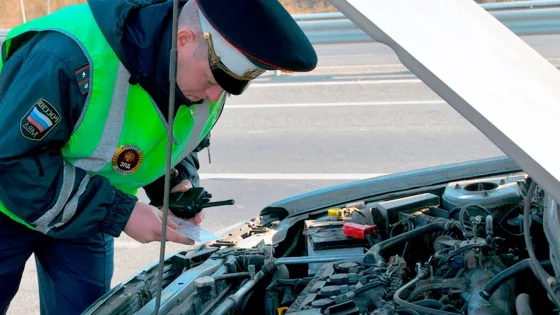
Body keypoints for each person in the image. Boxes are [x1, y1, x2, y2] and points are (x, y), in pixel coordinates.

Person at [0, 0, 317, 313]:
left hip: (83, 212)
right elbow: (10, 161)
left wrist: (176, 187)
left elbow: (172, 140)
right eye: (210, 81)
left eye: (228, 87)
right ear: (183, 40)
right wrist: (120, 213)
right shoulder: (66, 57)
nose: (214, 97)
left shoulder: (210, 79)